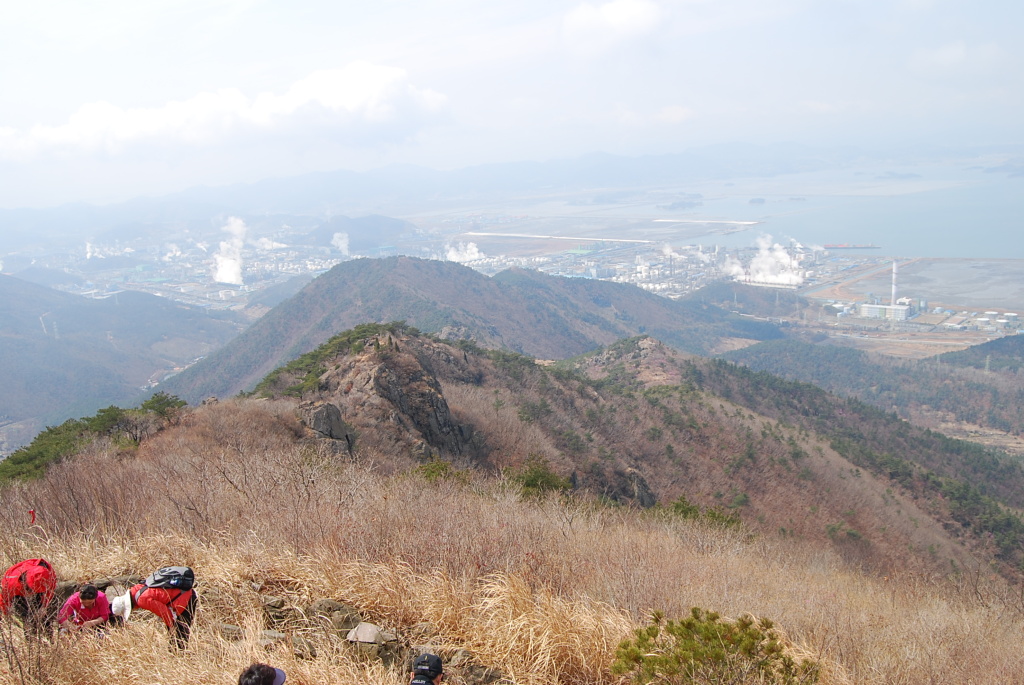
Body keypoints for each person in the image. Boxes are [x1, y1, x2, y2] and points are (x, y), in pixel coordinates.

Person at [110, 576, 197, 649]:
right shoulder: (136, 589)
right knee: (177, 634)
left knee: (181, 633)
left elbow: (165, 612)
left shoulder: (142, 600)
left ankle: (179, 657)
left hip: (185, 598)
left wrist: (171, 628)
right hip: (184, 594)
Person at [0, 558, 57, 635]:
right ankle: (30, 639)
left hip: (36, 587)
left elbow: (49, 591)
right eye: (31, 590)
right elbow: (4, 599)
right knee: (27, 618)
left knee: (43, 618)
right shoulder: (11, 583)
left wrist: (44, 606)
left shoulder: (48, 573)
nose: (32, 593)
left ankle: (49, 640)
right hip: (18, 590)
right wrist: (6, 615)